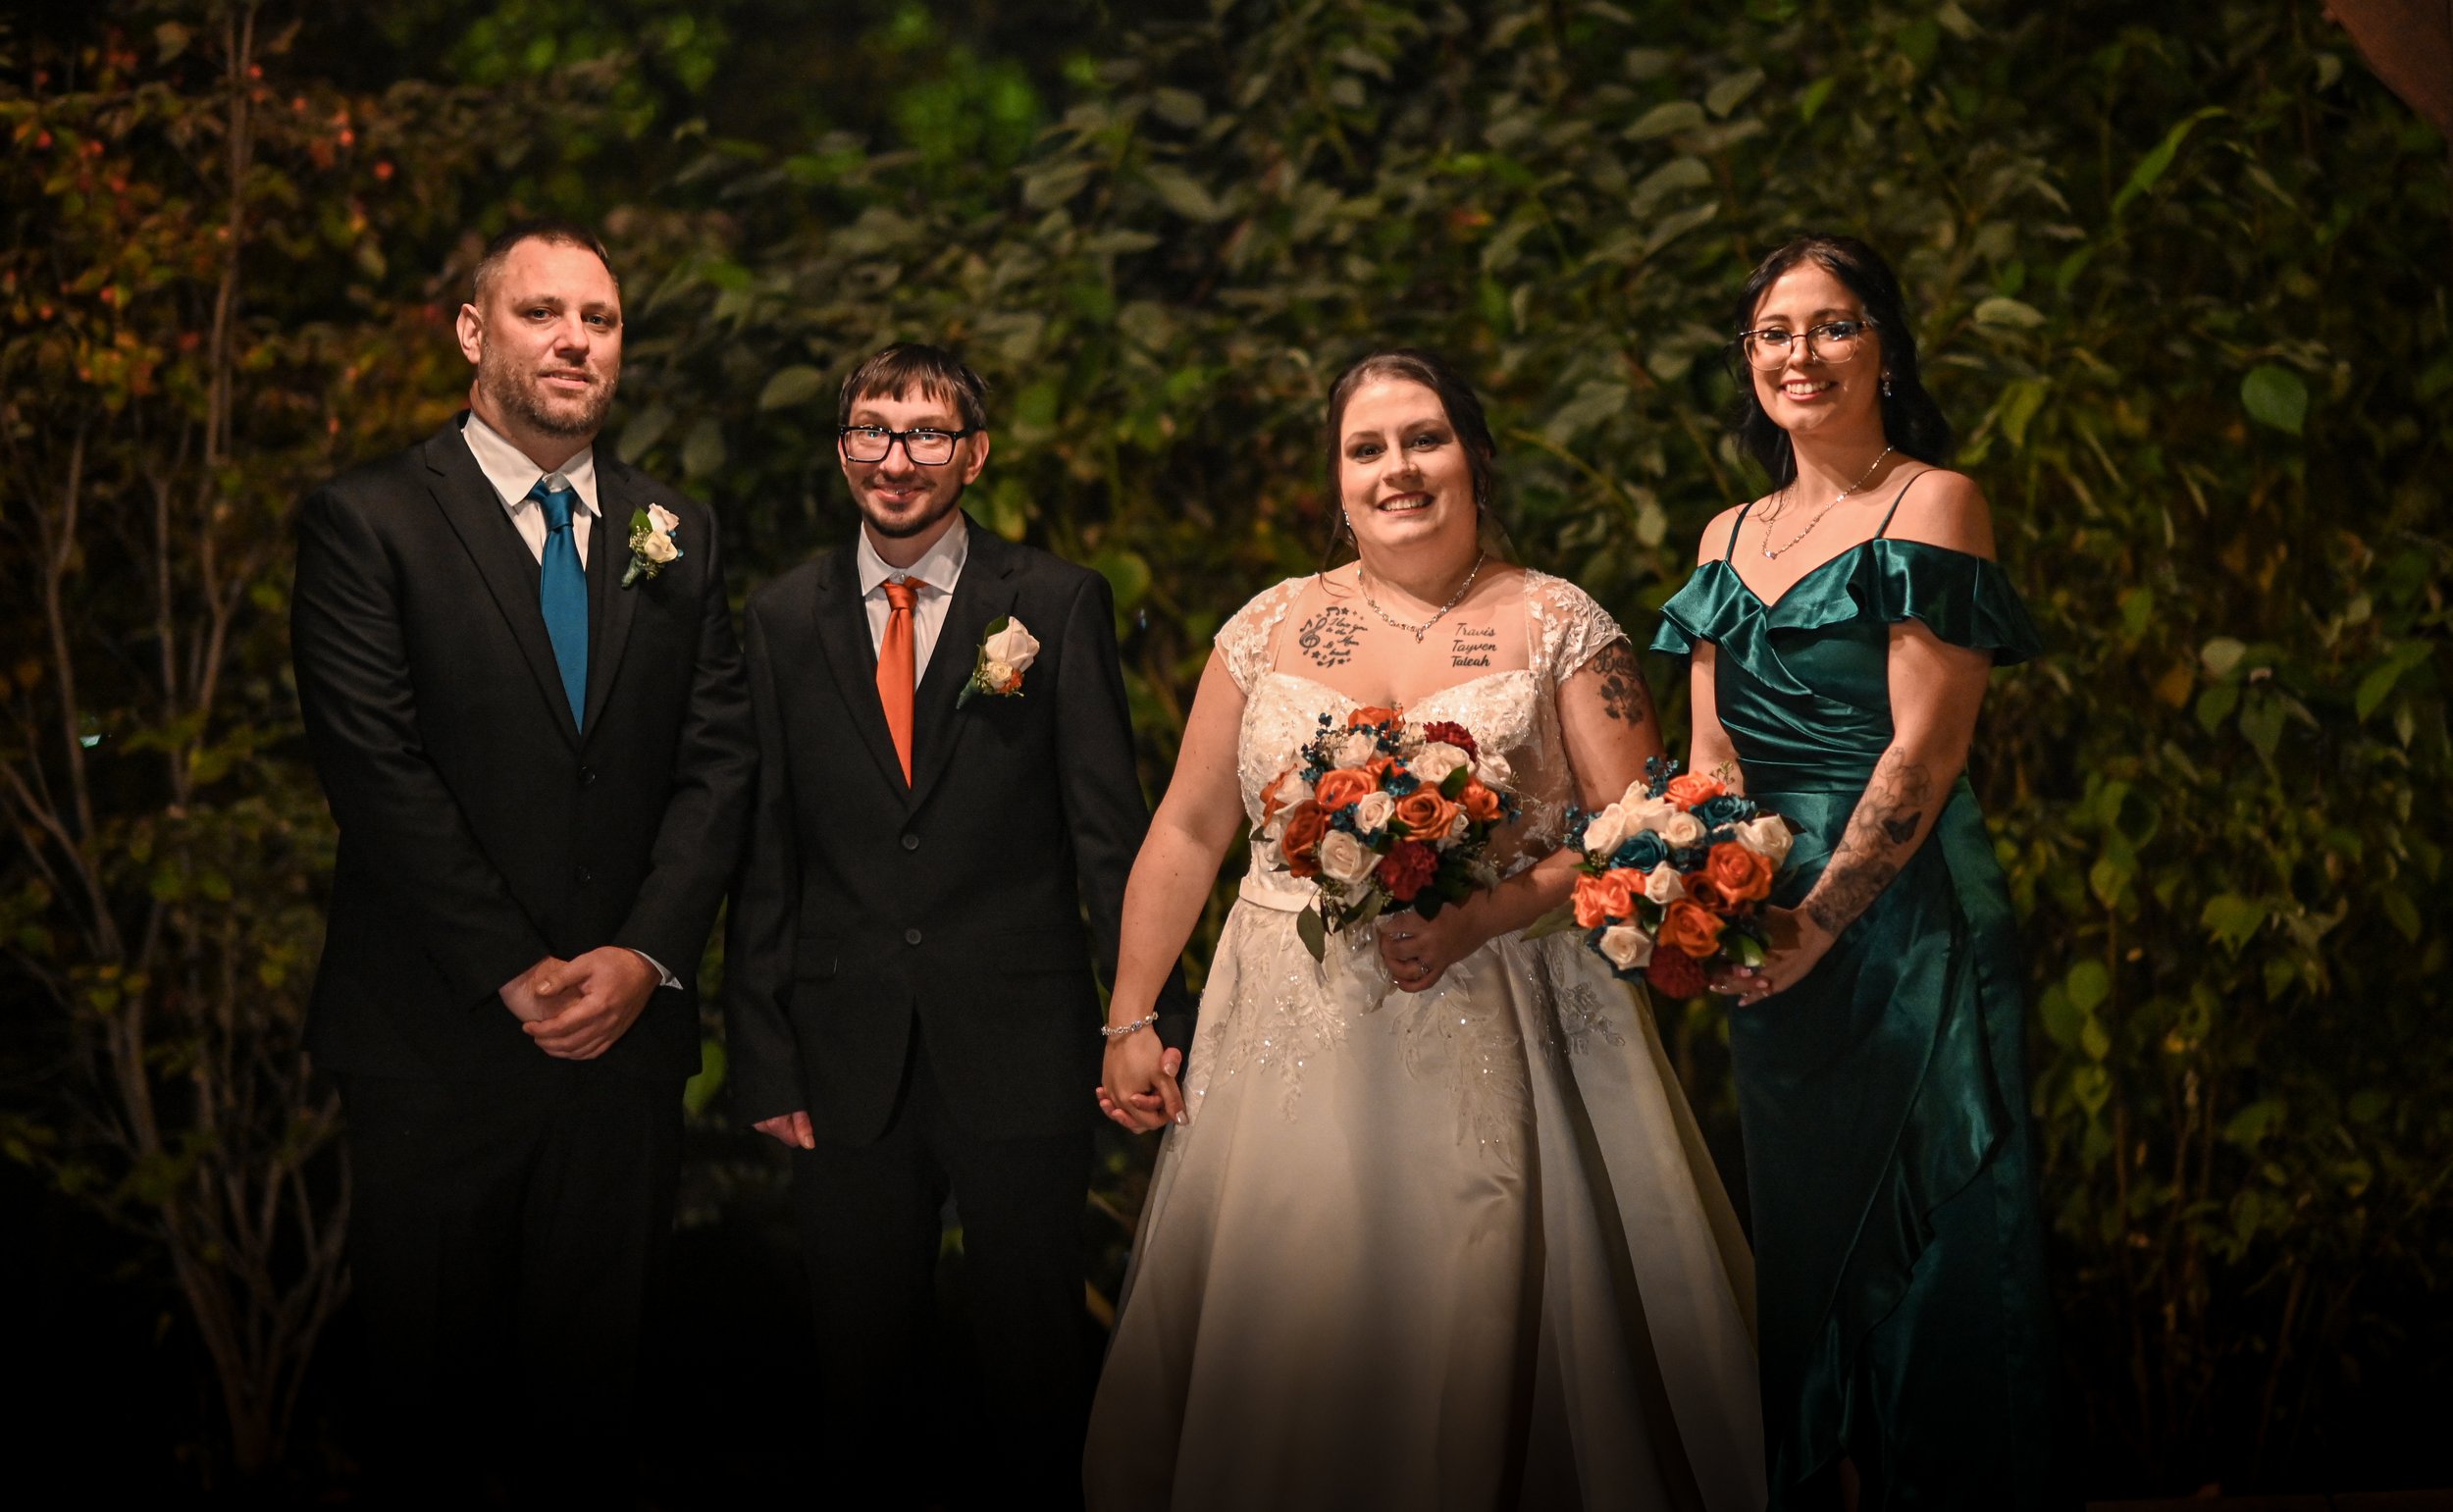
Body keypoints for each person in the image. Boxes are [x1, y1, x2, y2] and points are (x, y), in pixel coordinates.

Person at [1083, 349, 1765, 1510]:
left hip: (1499, 1011)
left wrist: (1483, 913)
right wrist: (1130, 1015)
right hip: (1286, 1032)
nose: (1397, 467)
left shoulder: (1557, 621)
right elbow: (1191, 828)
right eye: (1367, 448)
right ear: (1337, 482)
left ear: (1474, 455)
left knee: (1483, 1306)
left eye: (1424, 438)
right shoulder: (1267, 626)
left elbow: (1630, 822)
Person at [289, 218, 756, 1497]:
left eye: (599, 320)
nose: (574, 340)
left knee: (595, 1415)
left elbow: (718, 762)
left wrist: (644, 954)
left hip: (623, 1051)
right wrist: (516, 968)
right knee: (435, 1420)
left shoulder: (679, 531)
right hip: (436, 1042)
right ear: (472, 331)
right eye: (543, 312)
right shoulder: (368, 521)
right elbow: (375, 768)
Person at [723, 343, 1191, 1506]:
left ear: (973, 453)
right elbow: (764, 845)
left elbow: (1107, 833)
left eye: (926, 432)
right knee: (858, 1368)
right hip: (842, 1054)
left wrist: (1141, 1017)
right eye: (871, 430)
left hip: (1021, 1044)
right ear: (842, 449)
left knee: (1033, 1365)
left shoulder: (1054, 602)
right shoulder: (780, 618)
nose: (896, 457)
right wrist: (763, 1045)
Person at [1652, 234, 2061, 1508]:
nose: (1801, 355)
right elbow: (1710, 759)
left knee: (1946, 1260)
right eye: (1775, 332)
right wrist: (1696, 899)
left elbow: (1925, 756)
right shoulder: (1726, 533)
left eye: (1833, 326)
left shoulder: (1934, 502)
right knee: (1808, 1259)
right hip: (1772, 934)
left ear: (1886, 344)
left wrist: (1819, 922)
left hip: (1907, 919)